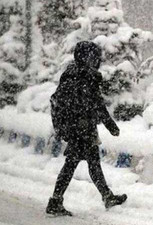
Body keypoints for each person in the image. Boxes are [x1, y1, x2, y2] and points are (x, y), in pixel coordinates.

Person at [46, 41, 127, 216]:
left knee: (90, 163)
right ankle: (55, 201)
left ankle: (106, 196)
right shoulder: (85, 76)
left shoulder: (71, 74)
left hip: (76, 128)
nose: (97, 60)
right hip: (81, 129)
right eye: (95, 56)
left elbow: (81, 103)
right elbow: (97, 104)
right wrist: (111, 125)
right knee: (76, 164)